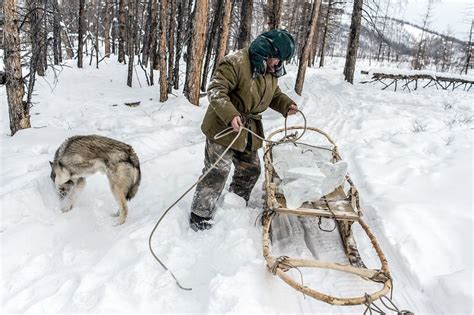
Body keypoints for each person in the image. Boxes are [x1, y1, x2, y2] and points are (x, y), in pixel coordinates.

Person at [190, 29, 299, 231]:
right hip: (223, 125)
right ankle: (200, 214)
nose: (278, 65)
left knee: (251, 169)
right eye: (276, 59)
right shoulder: (235, 62)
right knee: (217, 171)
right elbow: (216, 89)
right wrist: (231, 114)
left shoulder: (269, 71)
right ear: (265, 52)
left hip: (248, 129)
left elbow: (273, 94)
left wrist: (286, 104)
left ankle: (235, 203)